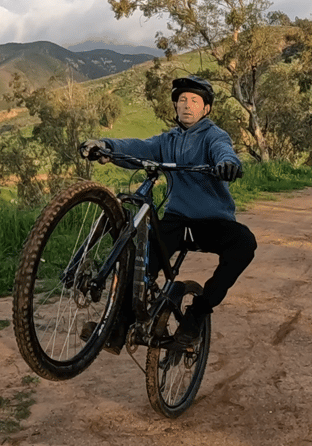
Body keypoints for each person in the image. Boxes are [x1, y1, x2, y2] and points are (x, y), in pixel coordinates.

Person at [79, 75, 257, 353]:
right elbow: (139, 147)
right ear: (175, 106)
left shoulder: (214, 136)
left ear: (206, 109)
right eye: (182, 100)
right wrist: (106, 147)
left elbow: (225, 152)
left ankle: (198, 314)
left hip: (212, 222)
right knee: (140, 267)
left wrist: (228, 164)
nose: (187, 105)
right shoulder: (167, 140)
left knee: (245, 243)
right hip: (176, 221)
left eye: (194, 101)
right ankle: (116, 328)